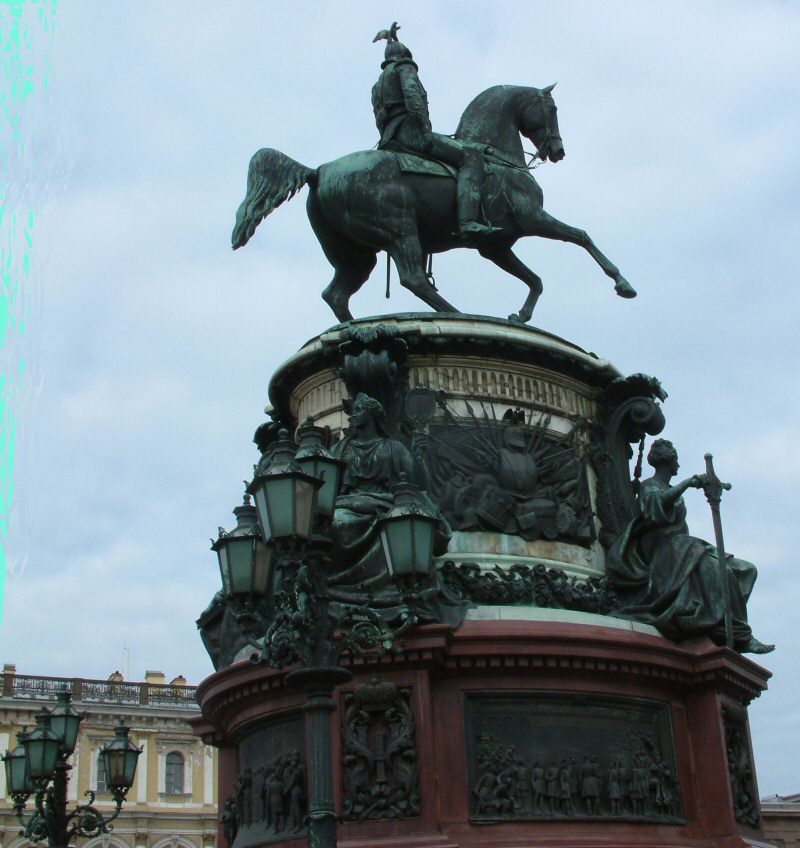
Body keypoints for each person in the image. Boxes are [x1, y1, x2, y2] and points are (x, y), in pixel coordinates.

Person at [606, 439, 773, 653]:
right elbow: (653, 509)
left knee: (745, 570)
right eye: (676, 459)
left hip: (683, 547)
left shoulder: (666, 488)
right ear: (669, 461)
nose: (678, 464)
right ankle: (741, 636)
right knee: (714, 568)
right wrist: (687, 483)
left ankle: (730, 626)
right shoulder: (649, 486)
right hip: (667, 551)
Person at [372, 26, 500, 238]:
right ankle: (467, 221)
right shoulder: (404, 68)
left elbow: (379, 117)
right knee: (471, 157)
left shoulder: (377, 85)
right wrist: (422, 126)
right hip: (412, 133)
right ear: (404, 56)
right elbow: (413, 96)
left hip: (390, 138)